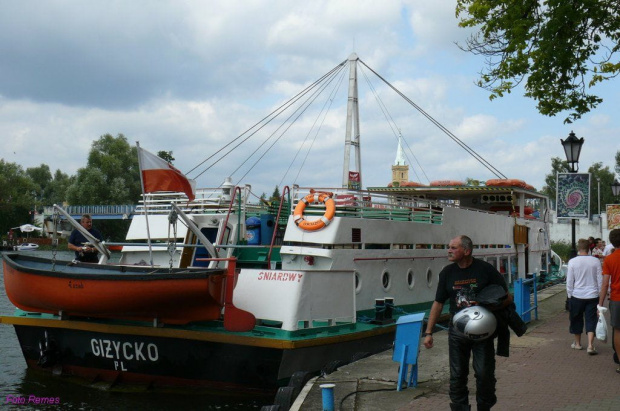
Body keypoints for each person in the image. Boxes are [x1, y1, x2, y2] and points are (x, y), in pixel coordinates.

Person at [424, 235, 509, 411]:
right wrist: (428, 332)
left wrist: (490, 304)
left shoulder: (485, 270)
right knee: (457, 375)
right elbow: (438, 303)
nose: (449, 250)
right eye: (449, 247)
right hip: (457, 331)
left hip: (482, 330)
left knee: (484, 373)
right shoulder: (447, 273)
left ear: (467, 250)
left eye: (454, 247)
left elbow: (507, 297)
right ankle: (459, 408)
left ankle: (485, 406)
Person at [566, 238, 602, 354]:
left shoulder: (572, 262)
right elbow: (599, 280)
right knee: (591, 319)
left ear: (578, 248)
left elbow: (570, 281)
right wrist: (600, 294)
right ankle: (590, 345)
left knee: (576, 318)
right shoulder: (595, 261)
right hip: (592, 295)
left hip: (577, 295)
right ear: (589, 248)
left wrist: (569, 295)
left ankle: (577, 343)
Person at [599, 229, 620, 372]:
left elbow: (605, 284)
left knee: (618, 329)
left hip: (616, 298)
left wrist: (600, 304)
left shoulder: (609, 259)